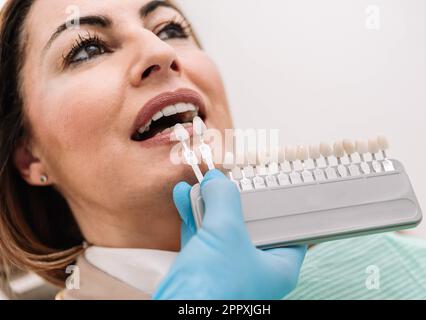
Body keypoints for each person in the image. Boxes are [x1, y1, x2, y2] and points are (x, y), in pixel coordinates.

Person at [0, 0, 306, 299]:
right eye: (87, 49)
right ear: (30, 156)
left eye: (170, 30)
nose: (161, 51)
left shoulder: (350, 261)